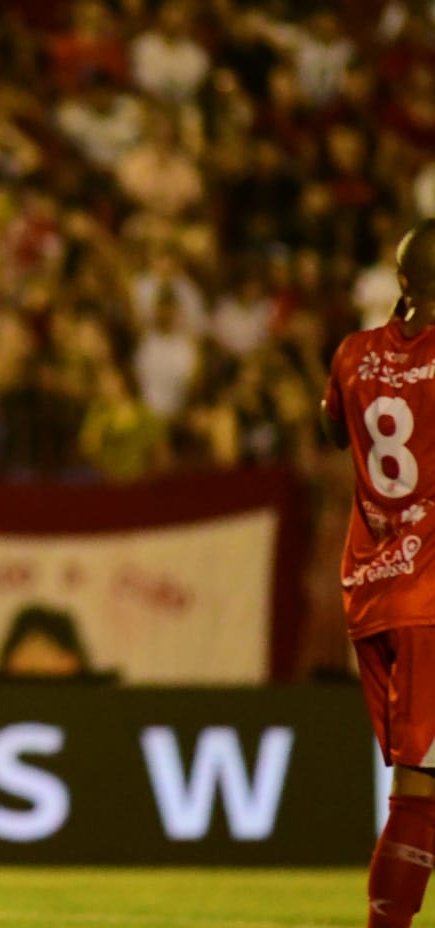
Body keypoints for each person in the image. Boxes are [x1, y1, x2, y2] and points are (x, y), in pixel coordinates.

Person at [322, 217, 435, 928]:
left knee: (421, 781)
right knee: (420, 788)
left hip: (370, 587)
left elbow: (336, 432)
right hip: (431, 591)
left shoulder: (353, 354)